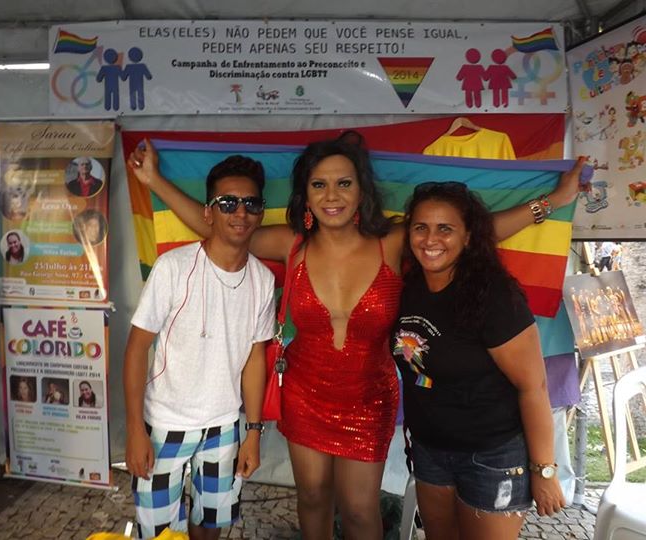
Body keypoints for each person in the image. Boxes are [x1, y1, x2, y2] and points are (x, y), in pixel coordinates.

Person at [127, 133, 582, 539]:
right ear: (305, 195)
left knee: (362, 512)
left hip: (369, 400)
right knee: (312, 501)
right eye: (319, 184)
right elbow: (217, 225)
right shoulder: (290, 243)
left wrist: (551, 202)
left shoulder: (394, 242)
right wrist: (155, 182)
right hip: (305, 394)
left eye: (344, 183)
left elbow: (472, 233)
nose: (332, 195)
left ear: (362, 190)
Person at [392, 182, 565, 540]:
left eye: (445, 228)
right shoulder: (409, 287)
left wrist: (544, 470)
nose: (431, 239)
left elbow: (533, 386)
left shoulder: (493, 297)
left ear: (469, 237)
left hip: (492, 457)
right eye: (421, 227)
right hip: (429, 450)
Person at [124, 155, 275, 539]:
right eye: (228, 203)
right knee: (159, 532)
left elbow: (255, 358)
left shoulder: (262, 280)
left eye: (251, 203)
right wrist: (134, 430)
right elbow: (137, 348)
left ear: (260, 213)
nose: (240, 212)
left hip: (224, 425)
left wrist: (253, 432)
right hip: (165, 424)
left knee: (212, 523)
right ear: (208, 212)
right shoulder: (173, 267)